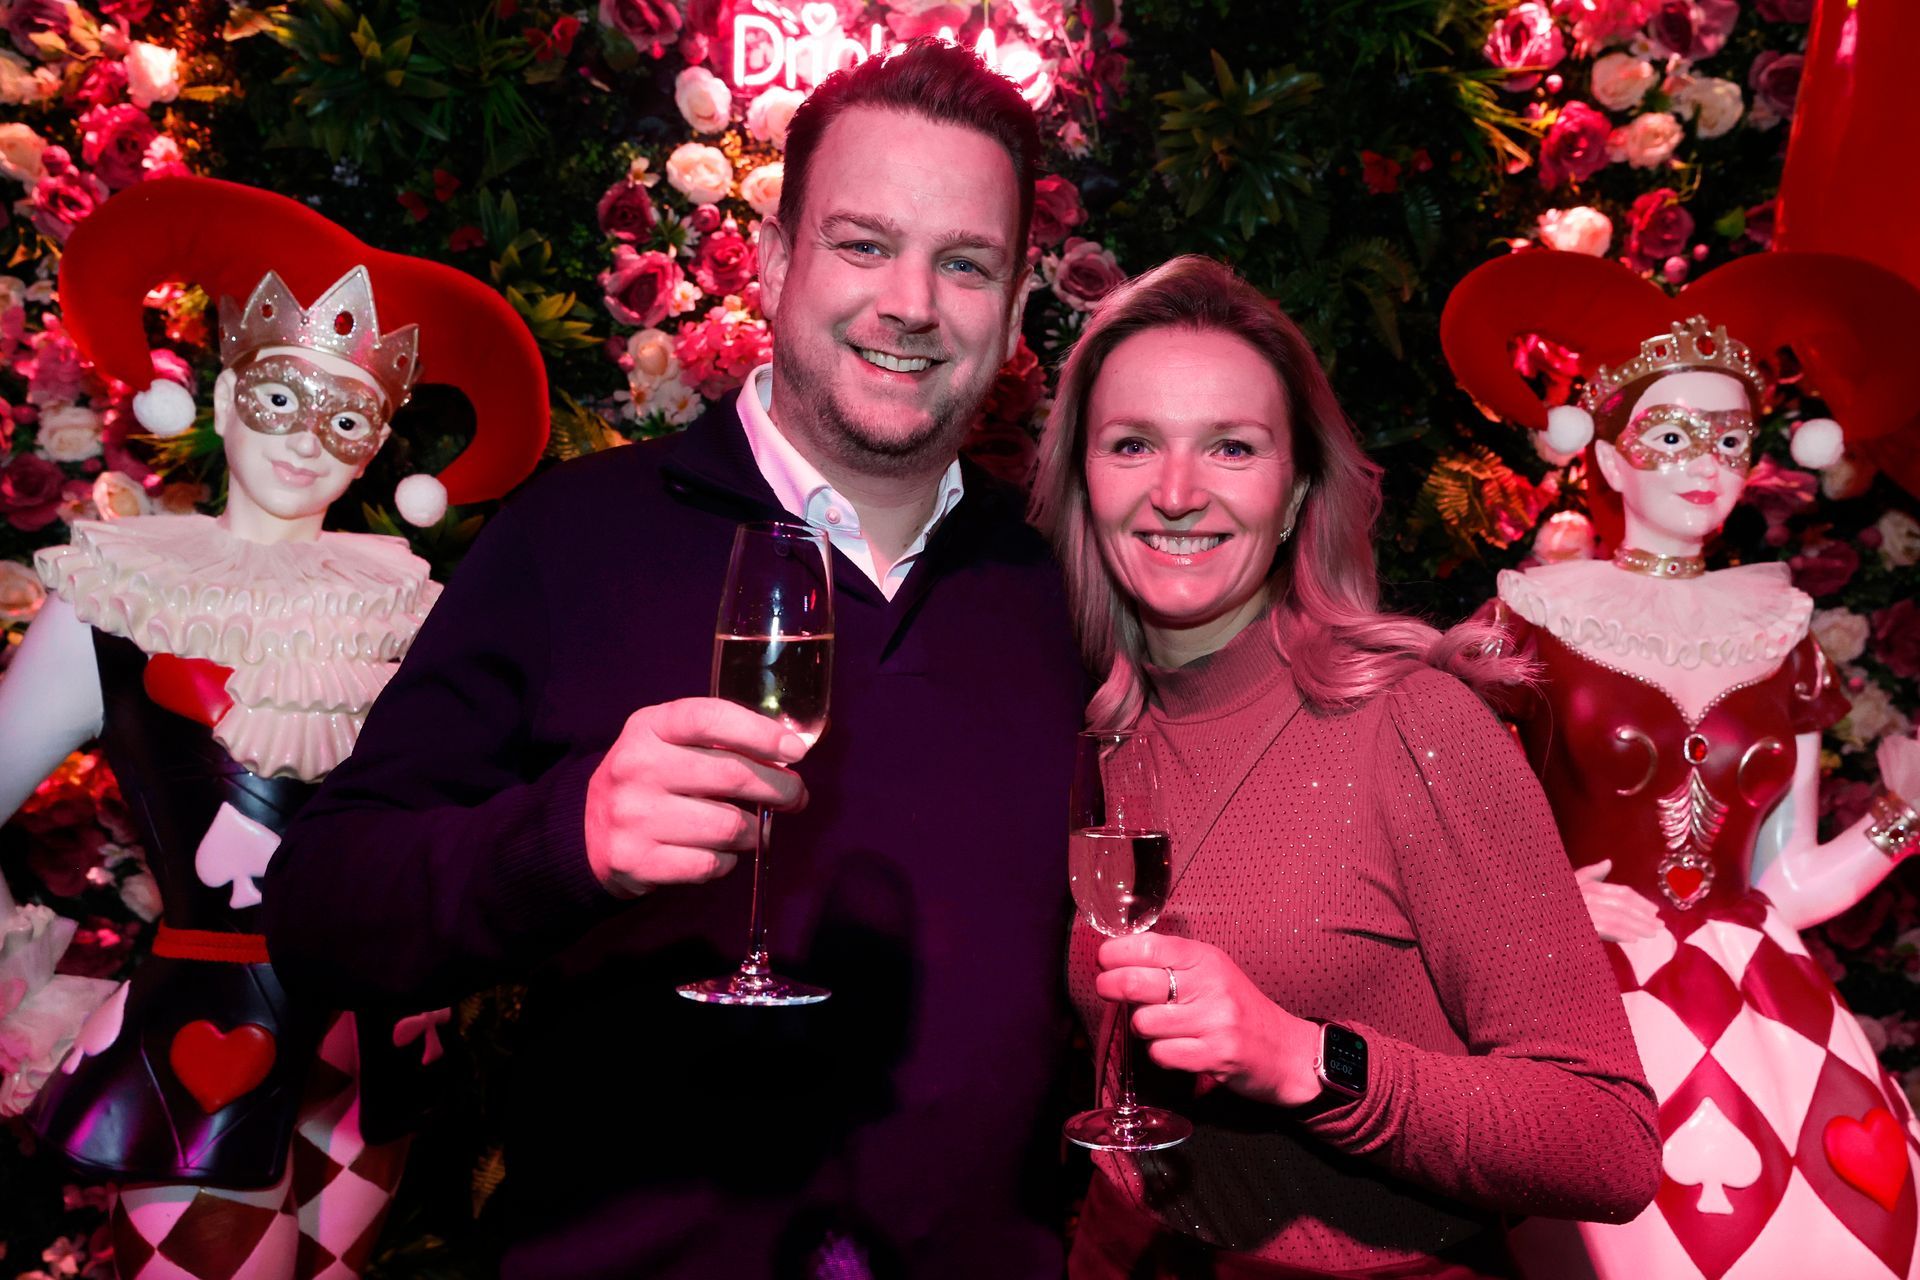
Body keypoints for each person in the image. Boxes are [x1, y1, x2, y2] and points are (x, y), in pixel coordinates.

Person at [260, 40, 1086, 1280]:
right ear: (776, 261)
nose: (912, 302)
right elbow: (324, 909)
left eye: (964, 262)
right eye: (864, 244)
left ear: (1014, 306)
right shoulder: (576, 538)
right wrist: (566, 838)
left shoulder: (1056, 592)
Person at [1029, 255, 1663, 1279]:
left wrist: (1306, 1059)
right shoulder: (1090, 732)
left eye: (1232, 446)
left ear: (1296, 494)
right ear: (1083, 481)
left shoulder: (1413, 725)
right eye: (1133, 443)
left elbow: (1609, 1139)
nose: (1176, 492)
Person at [0, 176, 546, 1278]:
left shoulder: (415, 610)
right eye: (281, 396)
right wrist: (24, 982)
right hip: (202, 1044)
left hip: (374, 1052)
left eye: (346, 418)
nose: (307, 441)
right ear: (217, 397)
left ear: (377, 447)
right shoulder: (118, 593)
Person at [1443, 249, 1920, 1280]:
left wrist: (1903, 816)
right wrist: (1530, 903)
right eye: (1670, 434)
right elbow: (1418, 825)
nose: (1705, 462)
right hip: (1582, 998)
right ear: (1610, 457)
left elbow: (1788, 883)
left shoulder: (1780, 629)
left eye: (1730, 437)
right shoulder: (1531, 617)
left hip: (1766, 1008)